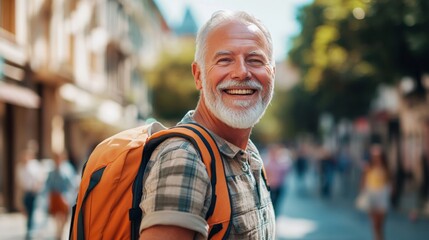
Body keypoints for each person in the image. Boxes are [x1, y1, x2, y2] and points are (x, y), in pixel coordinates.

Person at [139, 10, 276, 239]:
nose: (241, 72)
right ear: (198, 75)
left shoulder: (248, 153)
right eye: (224, 60)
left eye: (255, 60)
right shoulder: (185, 160)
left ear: (273, 73)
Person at [359, 144, 391, 240]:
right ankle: (377, 238)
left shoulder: (386, 167)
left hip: (382, 194)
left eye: (378, 156)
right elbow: (363, 181)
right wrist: (363, 192)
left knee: (381, 222)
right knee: (375, 223)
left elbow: (389, 180)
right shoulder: (368, 167)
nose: (376, 158)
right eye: (374, 156)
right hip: (372, 194)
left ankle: (380, 237)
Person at [45, 151, 78, 240]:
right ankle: (58, 234)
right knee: (56, 218)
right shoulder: (52, 170)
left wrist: (70, 197)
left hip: (65, 197)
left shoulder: (67, 169)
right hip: (54, 197)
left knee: (64, 218)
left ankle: (60, 233)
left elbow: (72, 184)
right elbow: (48, 185)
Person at [17, 142, 45, 239]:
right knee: (27, 213)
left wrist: (37, 187)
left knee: (33, 213)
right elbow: (20, 184)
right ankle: (30, 231)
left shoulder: (35, 166)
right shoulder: (20, 168)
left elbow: (41, 178)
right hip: (26, 192)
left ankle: (30, 232)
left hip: (34, 193)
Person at [263, 144, 292, 215]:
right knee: (270, 202)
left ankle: (275, 216)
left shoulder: (282, 161)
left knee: (276, 203)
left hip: (279, 186)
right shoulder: (266, 160)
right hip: (269, 186)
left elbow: (287, 170)